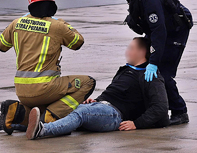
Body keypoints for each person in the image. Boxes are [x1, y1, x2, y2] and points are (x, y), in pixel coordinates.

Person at [69, 0, 193, 125]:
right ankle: (148, 105)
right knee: (144, 66)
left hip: (174, 31)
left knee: (163, 72)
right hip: (158, 28)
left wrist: (154, 62)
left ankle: (179, 111)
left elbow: (159, 32)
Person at [0, 0, 96, 135]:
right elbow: (78, 42)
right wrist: (63, 24)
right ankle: (50, 117)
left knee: (37, 108)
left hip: (22, 90)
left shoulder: (16, 23)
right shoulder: (57, 26)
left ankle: (14, 111)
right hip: (45, 88)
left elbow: (0, 45)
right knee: (87, 83)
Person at [26, 37, 170, 140]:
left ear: (141, 52)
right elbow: (113, 94)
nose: (127, 51)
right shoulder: (126, 70)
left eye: (131, 48)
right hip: (102, 107)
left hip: (114, 115)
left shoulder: (150, 75)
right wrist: (96, 100)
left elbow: (160, 107)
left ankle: (42, 131)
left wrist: (136, 124)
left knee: (81, 113)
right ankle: (24, 125)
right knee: (64, 107)